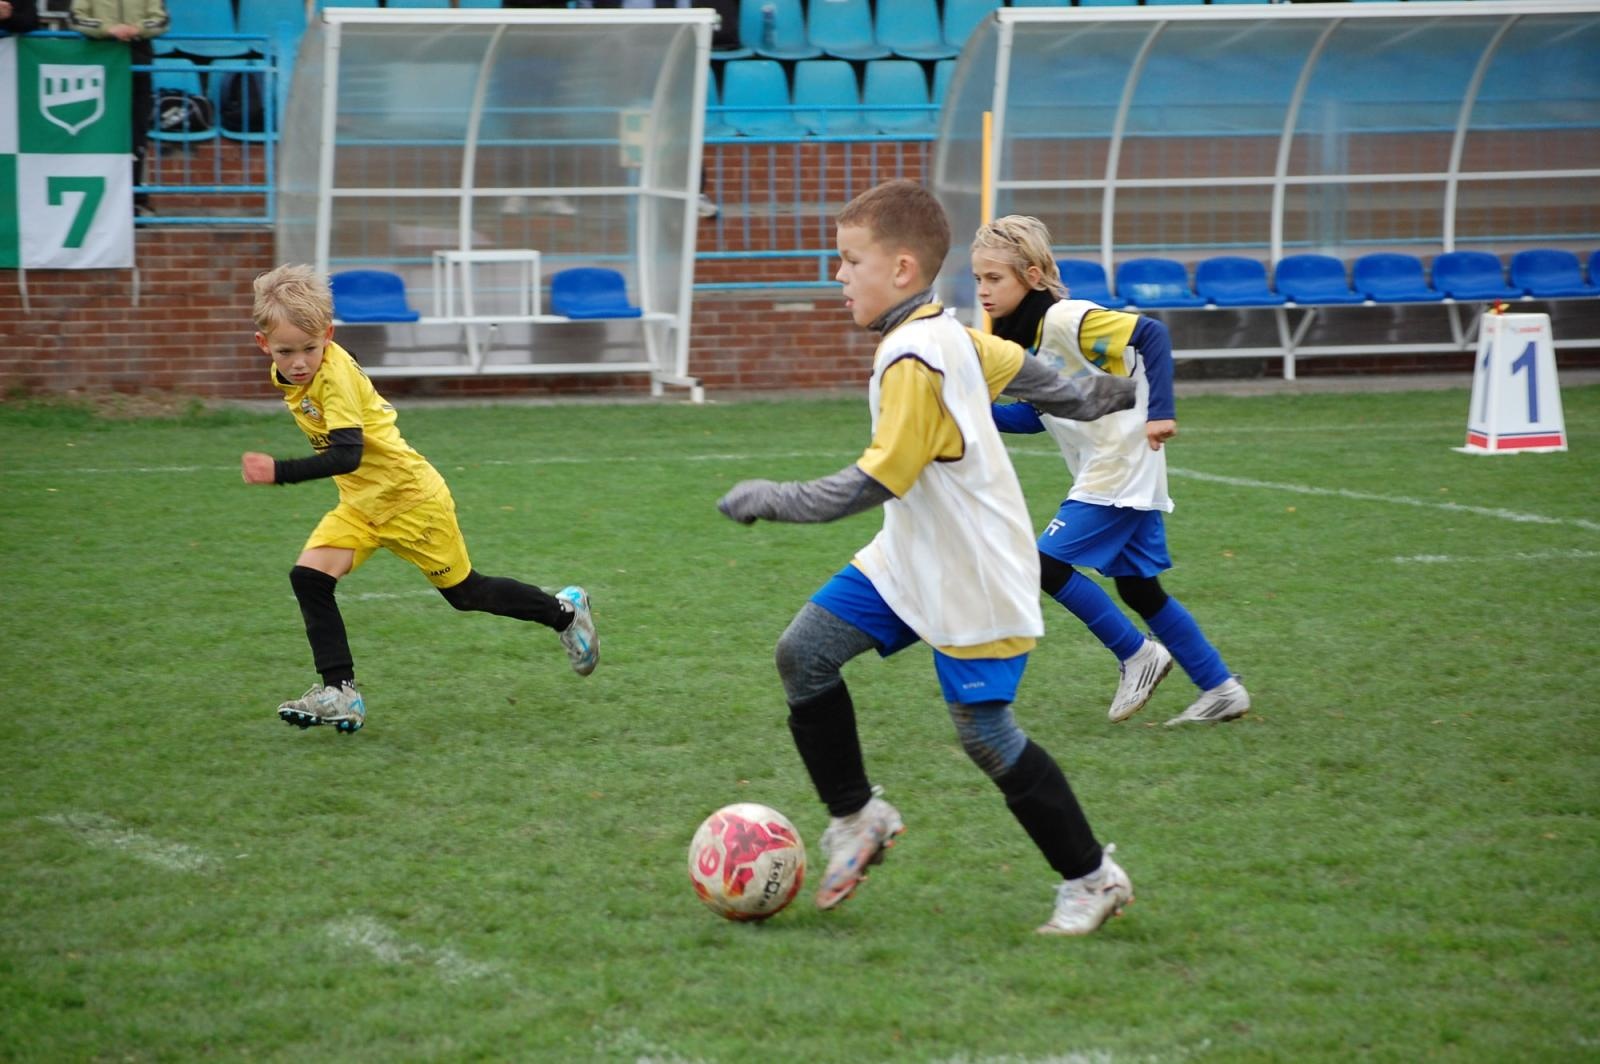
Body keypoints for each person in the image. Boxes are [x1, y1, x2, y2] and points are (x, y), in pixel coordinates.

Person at [717, 180, 1138, 935]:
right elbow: (1023, 372)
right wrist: (1092, 397)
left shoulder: (915, 356)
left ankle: (1091, 877)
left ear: (902, 270)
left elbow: (878, 478)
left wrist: (775, 497)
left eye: (849, 261)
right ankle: (857, 817)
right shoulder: (943, 332)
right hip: (911, 553)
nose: (837, 276)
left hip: (974, 570)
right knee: (803, 655)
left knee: (984, 733)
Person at [240, 264, 598, 734]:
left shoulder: (334, 378)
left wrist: (279, 472)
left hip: (410, 500)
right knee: (308, 577)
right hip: (362, 506)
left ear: (328, 334)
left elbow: (347, 453)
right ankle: (339, 692)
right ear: (264, 344)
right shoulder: (285, 370)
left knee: (467, 594)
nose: (300, 361)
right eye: (287, 351)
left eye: (310, 348)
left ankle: (566, 612)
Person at [972, 215, 1250, 727]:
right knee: (1140, 589)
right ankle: (1221, 688)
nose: (984, 291)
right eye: (979, 279)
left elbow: (1152, 335)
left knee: (1045, 566)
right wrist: (965, 411)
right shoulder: (1028, 343)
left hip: (1118, 466)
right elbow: (1036, 417)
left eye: (995, 278)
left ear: (1033, 277)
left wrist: (1161, 410)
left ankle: (1138, 655)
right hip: (1115, 469)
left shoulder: (1067, 319)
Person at [69, 0, 168, 215]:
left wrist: (136, 29)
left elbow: (161, 19)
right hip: (99, 61)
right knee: (98, 132)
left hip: (137, 60)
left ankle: (135, 198)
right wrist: (108, 29)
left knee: (136, 134)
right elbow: (76, 18)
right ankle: (97, 199)